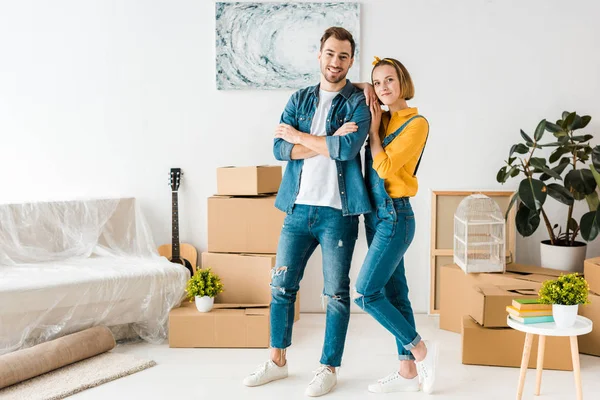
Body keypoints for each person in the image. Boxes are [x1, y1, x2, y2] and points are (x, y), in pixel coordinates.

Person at [242, 27, 372, 397]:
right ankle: (277, 362)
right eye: (330, 54)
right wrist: (322, 143)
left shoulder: (357, 103)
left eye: (344, 56)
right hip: (297, 209)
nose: (336, 62)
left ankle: (328, 367)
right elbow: (279, 150)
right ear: (319, 55)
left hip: (339, 213)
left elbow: (347, 151)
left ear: (351, 60)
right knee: (281, 287)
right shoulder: (299, 98)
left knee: (335, 294)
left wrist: (300, 137)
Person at [347, 57, 437, 394]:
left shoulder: (416, 123)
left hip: (396, 216)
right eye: (377, 82)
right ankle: (407, 371)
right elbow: (347, 87)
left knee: (367, 293)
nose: (384, 88)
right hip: (376, 215)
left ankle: (420, 349)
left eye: (390, 80)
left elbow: (383, 167)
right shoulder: (381, 113)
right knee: (397, 294)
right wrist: (365, 88)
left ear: (403, 82)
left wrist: (373, 131)